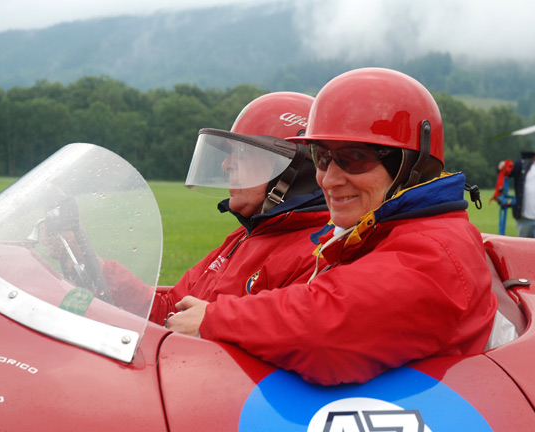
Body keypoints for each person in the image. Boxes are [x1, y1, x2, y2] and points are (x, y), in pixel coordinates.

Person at [167, 68, 498, 386]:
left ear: (411, 165)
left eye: (354, 158)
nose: (329, 179)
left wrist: (215, 319)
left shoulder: (436, 250)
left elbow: (328, 329)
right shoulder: (373, 234)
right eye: (321, 157)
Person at [140, 91, 331, 324]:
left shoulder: (320, 254)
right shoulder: (244, 236)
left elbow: (278, 337)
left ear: (294, 168)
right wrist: (103, 273)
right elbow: (173, 307)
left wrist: (211, 324)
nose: (226, 164)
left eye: (242, 152)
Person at [498, 151, 535, 237]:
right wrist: (502, 166)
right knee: (523, 245)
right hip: (524, 219)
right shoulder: (522, 164)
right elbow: (507, 171)